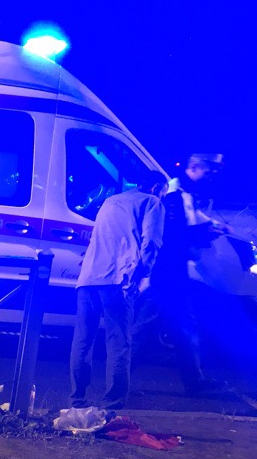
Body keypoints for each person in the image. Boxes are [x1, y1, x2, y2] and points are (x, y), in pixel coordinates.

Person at [69, 170, 167, 410]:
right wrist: (143, 274)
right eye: (163, 193)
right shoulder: (151, 202)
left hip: (88, 279)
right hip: (117, 280)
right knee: (118, 342)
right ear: (155, 187)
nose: (163, 198)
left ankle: (76, 400)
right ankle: (111, 404)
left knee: (83, 340)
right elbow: (151, 242)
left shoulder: (111, 201)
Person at [134, 152, 228, 395]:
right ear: (194, 167)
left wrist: (210, 227)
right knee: (151, 324)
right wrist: (205, 232)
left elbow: (187, 225)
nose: (211, 176)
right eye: (208, 171)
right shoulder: (175, 195)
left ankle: (193, 381)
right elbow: (173, 235)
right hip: (168, 269)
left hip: (173, 268)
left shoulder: (184, 193)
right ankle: (117, 378)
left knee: (180, 323)